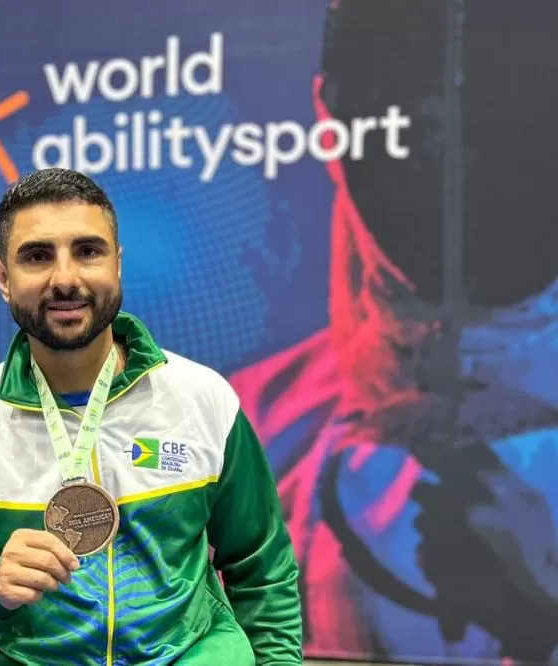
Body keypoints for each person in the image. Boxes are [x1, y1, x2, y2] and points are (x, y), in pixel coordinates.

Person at [228, 1, 558, 662]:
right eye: (417, 105)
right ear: (334, 118)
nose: (454, 147)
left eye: (504, 96)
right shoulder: (248, 435)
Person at [0, 168, 302, 665]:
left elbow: (263, 568)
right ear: (4, 278)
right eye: (38, 256)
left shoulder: (203, 399)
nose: (65, 278)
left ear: (117, 264)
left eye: (87, 251)